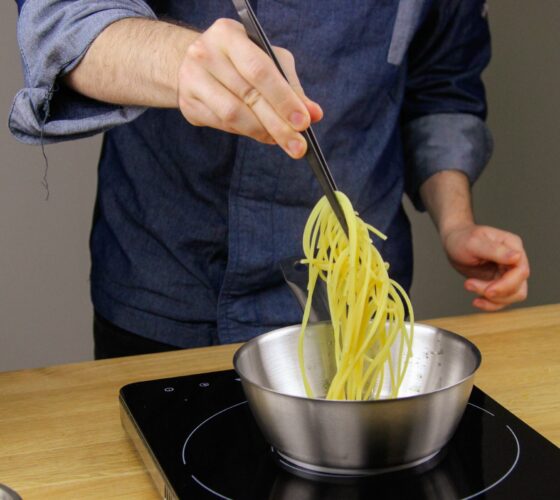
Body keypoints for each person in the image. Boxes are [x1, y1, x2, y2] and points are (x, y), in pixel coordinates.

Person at [9, 0, 529, 359]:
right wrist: (182, 63)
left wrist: (457, 222)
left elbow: (442, 86)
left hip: (356, 317)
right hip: (169, 287)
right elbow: (64, 21)